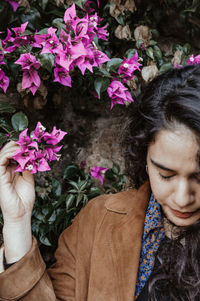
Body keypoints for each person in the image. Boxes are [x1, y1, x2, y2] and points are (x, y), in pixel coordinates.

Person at [1, 64, 200, 301]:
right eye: (165, 175)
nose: (182, 197)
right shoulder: (98, 223)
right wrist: (17, 222)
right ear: (144, 157)